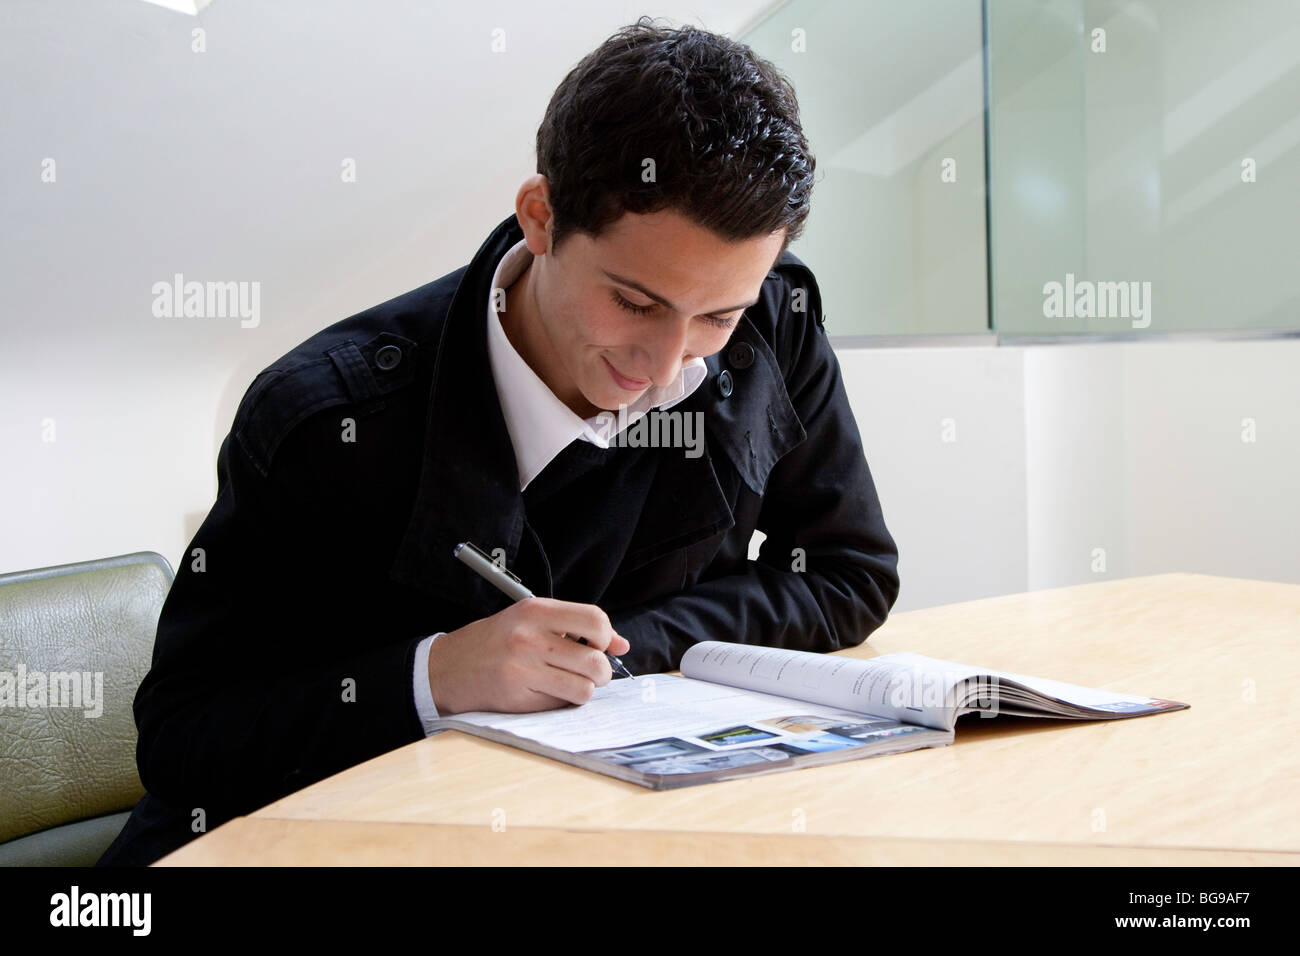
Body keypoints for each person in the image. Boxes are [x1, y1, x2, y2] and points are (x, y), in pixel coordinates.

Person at [98, 17, 900, 866]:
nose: (667, 364)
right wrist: (435, 675)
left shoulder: (774, 321)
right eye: (633, 303)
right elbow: (186, 737)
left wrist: (624, 646)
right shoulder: (326, 417)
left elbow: (849, 574)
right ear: (542, 216)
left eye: (716, 315)